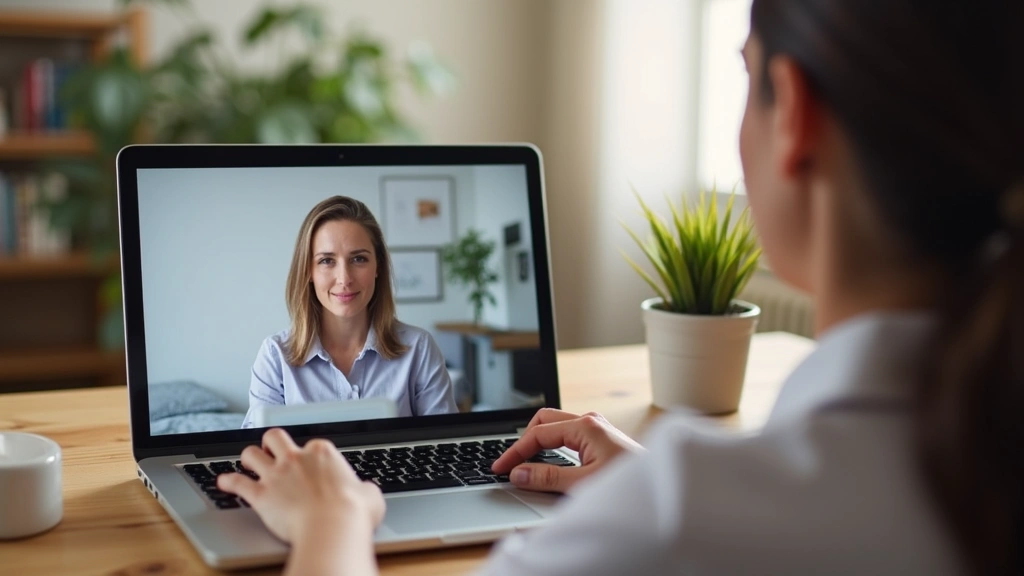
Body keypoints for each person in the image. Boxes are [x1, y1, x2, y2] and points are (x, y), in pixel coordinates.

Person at [219, 1, 1022, 574]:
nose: (342, 274)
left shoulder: (670, 520)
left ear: (795, 120)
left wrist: (332, 524)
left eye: (746, 81)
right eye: (326, 260)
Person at [241, 196, 458, 428]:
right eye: (326, 261)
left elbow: (446, 443)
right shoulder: (275, 357)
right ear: (308, 272)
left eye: (358, 259)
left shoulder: (420, 348)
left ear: (378, 267)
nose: (344, 279)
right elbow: (260, 456)